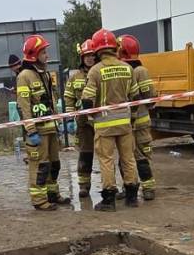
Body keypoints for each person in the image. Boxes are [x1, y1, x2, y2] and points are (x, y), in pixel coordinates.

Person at [80, 30, 140, 211]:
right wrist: (130, 116)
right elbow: (136, 97)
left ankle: (109, 200)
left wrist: (91, 116)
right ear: (115, 47)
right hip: (125, 123)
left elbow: (87, 100)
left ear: (97, 49)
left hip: (104, 124)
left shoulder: (95, 70)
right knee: (128, 159)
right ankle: (132, 197)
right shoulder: (127, 68)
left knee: (106, 161)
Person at [15, 34, 70, 210]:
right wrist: (31, 130)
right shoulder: (24, 76)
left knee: (54, 164)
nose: (47, 55)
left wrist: (57, 122)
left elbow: (51, 101)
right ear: (34, 55)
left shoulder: (44, 74)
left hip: (50, 128)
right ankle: (39, 200)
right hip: (37, 132)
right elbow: (24, 106)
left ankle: (53, 194)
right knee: (40, 166)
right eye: (44, 52)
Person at [117, 35, 156, 202]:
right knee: (126, 158)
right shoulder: (131, 70)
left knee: (140, 157)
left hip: (137, 124)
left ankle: (148, 188)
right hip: (129, 123)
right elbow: (151, 98)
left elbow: (149, 97)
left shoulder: (138, 71)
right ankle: (130, 187)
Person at [64, 40, 95, 198]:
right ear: (82, 58)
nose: (89, 58)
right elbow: (69, 98)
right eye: (86, 55)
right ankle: (84, 185)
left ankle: (109, 186)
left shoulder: (100, 72)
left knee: (106, 156)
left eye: (92, 55)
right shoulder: (74, 78)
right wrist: (70, 120)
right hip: (84, 123)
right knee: (85, 154)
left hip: (101, 121)